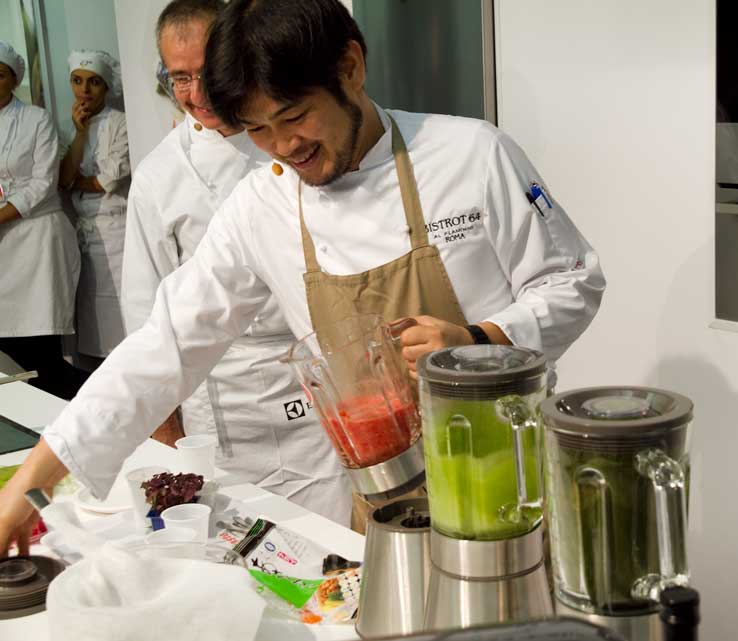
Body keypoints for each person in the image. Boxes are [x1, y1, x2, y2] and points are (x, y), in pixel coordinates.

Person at [0, 0, 605, 553]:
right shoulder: (262, 207)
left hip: (511, 486)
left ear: (350, 67)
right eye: (257, 130)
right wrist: (29, 488)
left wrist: (479, 343)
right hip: (385, 507)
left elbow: (573, 280)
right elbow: (164, 346)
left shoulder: (474, 154)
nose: (284, 146)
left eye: (293, 116)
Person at [122, 0, 350, 517]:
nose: (196, 94)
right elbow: (145, 321)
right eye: (179, 78)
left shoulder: (297, 147)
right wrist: (166, 436)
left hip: (308, 376)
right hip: (219, 397)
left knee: (336, 544)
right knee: (238, 547)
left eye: (206, 74)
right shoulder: (158, 180)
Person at [0, 41, 86, 400]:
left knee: (42, 355)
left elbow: (42, 183)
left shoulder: (37, 119)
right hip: (5, 247)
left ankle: (108, 406)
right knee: (16, 350)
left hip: (38, 243)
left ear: (13, 78)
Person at [60, 50, 130, 365]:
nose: (84, 91)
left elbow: (108, 181)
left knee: (123, 320)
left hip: (118, 232)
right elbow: (64, 179)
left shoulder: (121, 123)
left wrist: (78, 180)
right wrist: (80, 133)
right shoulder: (70, 126)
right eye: (77, 81)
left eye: (94, 83)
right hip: (85, 235)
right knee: (92, 323)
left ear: (106, 86)